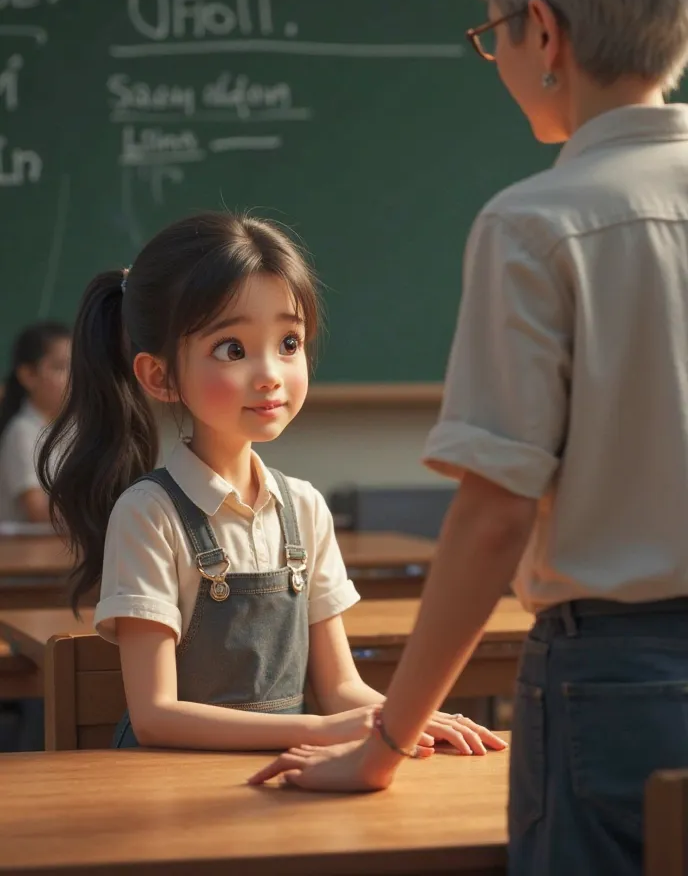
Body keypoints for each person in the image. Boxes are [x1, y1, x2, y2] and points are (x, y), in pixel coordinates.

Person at [248, 0, 688, 874]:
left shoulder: (538, 224)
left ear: (545, 31)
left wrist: (385, 739)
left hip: (619, 685)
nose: (495, 53)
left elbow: (493, 512)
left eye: (491, 29)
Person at [39, 212, 506, 754]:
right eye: (232, 349)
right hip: (167, 789)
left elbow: (338, 688)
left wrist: (408, 717)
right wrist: (320, 730)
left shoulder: (304, 506)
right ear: (159, 376)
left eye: (289, 342)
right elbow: (156, 717)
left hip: (286, 770)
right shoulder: (149, 513)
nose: (270, 374)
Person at [0, 321, 71, 525]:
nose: (73, 377)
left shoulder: (71, 428)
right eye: (60, 368)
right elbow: (39, 512)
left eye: (77, 367)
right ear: (28, 375)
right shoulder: (22, 432)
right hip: (24, 554)